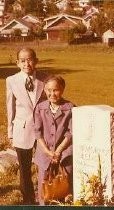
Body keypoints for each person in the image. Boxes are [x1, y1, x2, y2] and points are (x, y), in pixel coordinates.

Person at [6, 48, 47, 204]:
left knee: (44, 165)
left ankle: (46, 195)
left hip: (42, 130)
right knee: (24, 169)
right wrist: (10, 133)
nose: (26, 63)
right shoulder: (11, 80)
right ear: (17, 63)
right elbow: (11, 107)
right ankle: (28, 200)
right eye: (22, 60)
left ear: (36, 60)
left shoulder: (44, 78)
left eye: (29, 59)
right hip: (22, 130)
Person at [34, 75, 74, 205]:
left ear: (62, 89)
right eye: (48, 90)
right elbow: (37, 132)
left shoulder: (70, 108)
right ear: (44, 90)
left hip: (64, 152)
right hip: (44, 153)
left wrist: (58, 151)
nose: (52, 94)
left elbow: (71, 132)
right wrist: (47, 151)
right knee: (44, 186)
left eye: (55, 90)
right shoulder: (40, 107)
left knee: (64, 184)